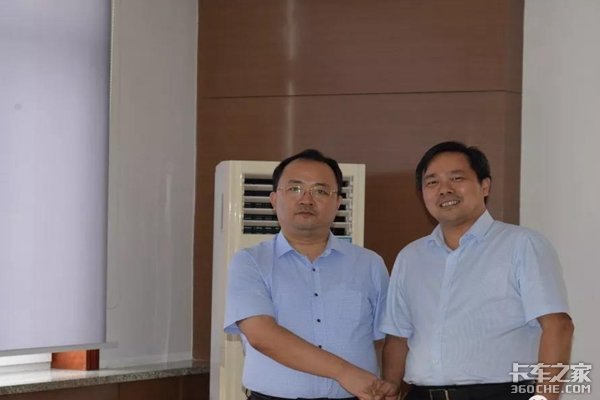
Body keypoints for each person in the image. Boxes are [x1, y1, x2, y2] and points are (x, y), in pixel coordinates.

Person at [380, 141, 574, 400]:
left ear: (485, 186)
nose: (444, 189)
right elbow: (398, 338)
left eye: (456, 178)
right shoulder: (410, 257)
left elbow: (558, 326)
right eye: (432, 182)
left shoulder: (522, 245)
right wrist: (390, 386)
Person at [224, 149, 390, 400]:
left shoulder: (369, 264)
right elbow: (261, 335)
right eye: (295, 188)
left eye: (320, 191)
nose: (306, 199)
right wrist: (343, 372)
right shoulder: (250, 261)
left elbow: (382, 341)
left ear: (338, 202)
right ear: (274, 200)